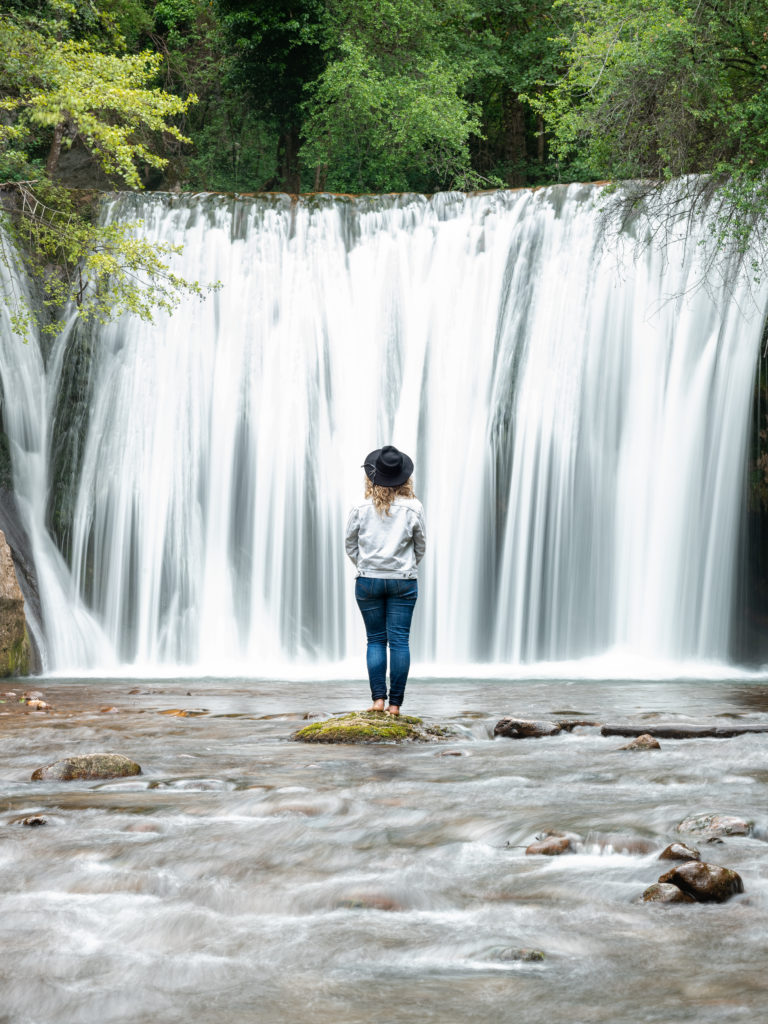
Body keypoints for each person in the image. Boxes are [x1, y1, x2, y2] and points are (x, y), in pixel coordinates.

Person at [345, 445, 426, 716]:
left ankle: (377, 701)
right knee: (400, 642)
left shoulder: (359, 506)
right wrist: (405, 567)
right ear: (404, 478)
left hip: (368, 580)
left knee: (376, 640)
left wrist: (366, 565)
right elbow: (420, 546)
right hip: (403, 581)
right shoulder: (414, 507)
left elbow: (350, 544)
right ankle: (395, 706)